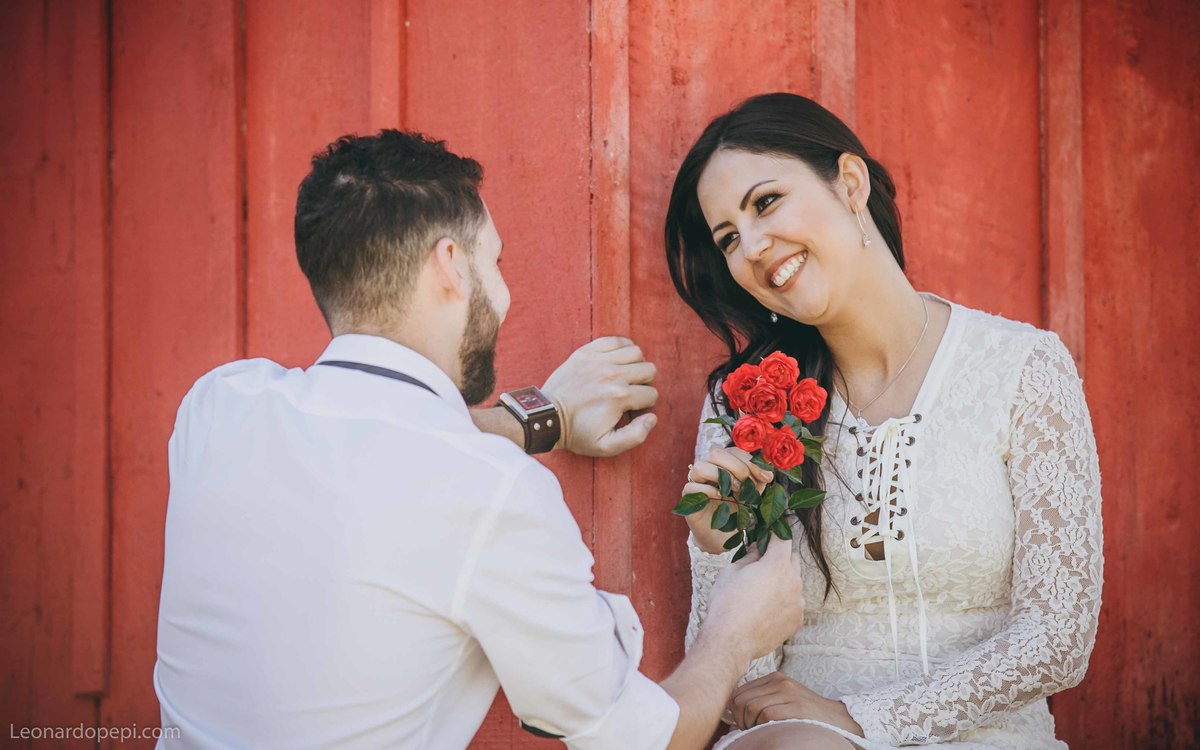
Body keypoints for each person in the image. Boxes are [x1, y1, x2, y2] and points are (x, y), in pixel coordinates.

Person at [154, 130, 806, 750]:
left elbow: (373, 436)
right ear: (451, 265)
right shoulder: (494, 493)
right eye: (495, 260)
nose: (505, 289)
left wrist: (542, 414)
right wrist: (732, 631)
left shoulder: (219, 407)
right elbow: (634, 738)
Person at [663, 93, 1103, 750]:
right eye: (728, 237)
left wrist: (867, 718)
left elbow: (1058, 641)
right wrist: (722, 547)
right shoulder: (745, 404)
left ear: (849, 183)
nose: (751, 246)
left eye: (765, 203)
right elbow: (737, 686)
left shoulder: (1020, 366)